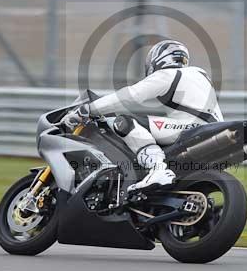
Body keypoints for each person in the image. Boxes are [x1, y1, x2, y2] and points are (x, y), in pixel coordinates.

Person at [62, 39, 223, 193]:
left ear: (158, 59)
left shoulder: (167, 75)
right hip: (214, 128)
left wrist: (88, 109)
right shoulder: (200, 74)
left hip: (192, 128)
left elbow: (129, 96)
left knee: (125, 122)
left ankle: (157, 169)